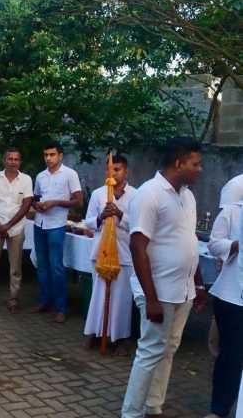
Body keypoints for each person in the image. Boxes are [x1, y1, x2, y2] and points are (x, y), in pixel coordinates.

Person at [121, 137, 208, 418]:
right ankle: (131, 413)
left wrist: (198, 283)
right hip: (158, 291)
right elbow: (137, 246)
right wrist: (151, 298)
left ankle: (153, 405)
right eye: (196, 164)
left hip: (183, 289)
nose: (200, 170)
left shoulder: (187, 196)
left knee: (168, 349)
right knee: (150, 351)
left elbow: (189, 241)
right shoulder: (149, 194)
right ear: (179, 163)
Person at [83, 155, 136, 356]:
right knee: (98, 295)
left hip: (124, 253)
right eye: (110, 169)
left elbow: (139, 225)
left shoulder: (136, 195)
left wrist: (120, 214)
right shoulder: (98, 194)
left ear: (126, 171)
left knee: (122, 299)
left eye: (118, 169)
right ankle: (95, 332)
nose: (113, 173)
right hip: (101, 252)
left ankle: (119, 339)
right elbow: (88, 222)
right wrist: (101, 217)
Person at [31, 142, 83, 323]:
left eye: (52, 154)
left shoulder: (70, 174)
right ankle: (45, 301)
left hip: (57, 225)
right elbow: (36, 197)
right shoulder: (40, 176)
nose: (48, 158)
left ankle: (61, 308)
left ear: (60, 156)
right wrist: (37, 204)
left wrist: (55, 202)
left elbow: (79, 201)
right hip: (39, 223)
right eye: (46, 155)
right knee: (42, 265)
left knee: (57, 267)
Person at [204, 201, 243, 418]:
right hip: (232, 296)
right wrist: (236, 245)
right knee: (230, 356)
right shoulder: (232, 211)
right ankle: (219, 409)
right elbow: (214, 245)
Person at [0, 148, 33, 312]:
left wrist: (8, 225)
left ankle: (13, 299)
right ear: (4, 161)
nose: (13, 162)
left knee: (15, 267)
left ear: (20, 162)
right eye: (10, 159)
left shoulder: (26, 179)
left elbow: (26, 205)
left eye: (16, 159)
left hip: (16, 228)